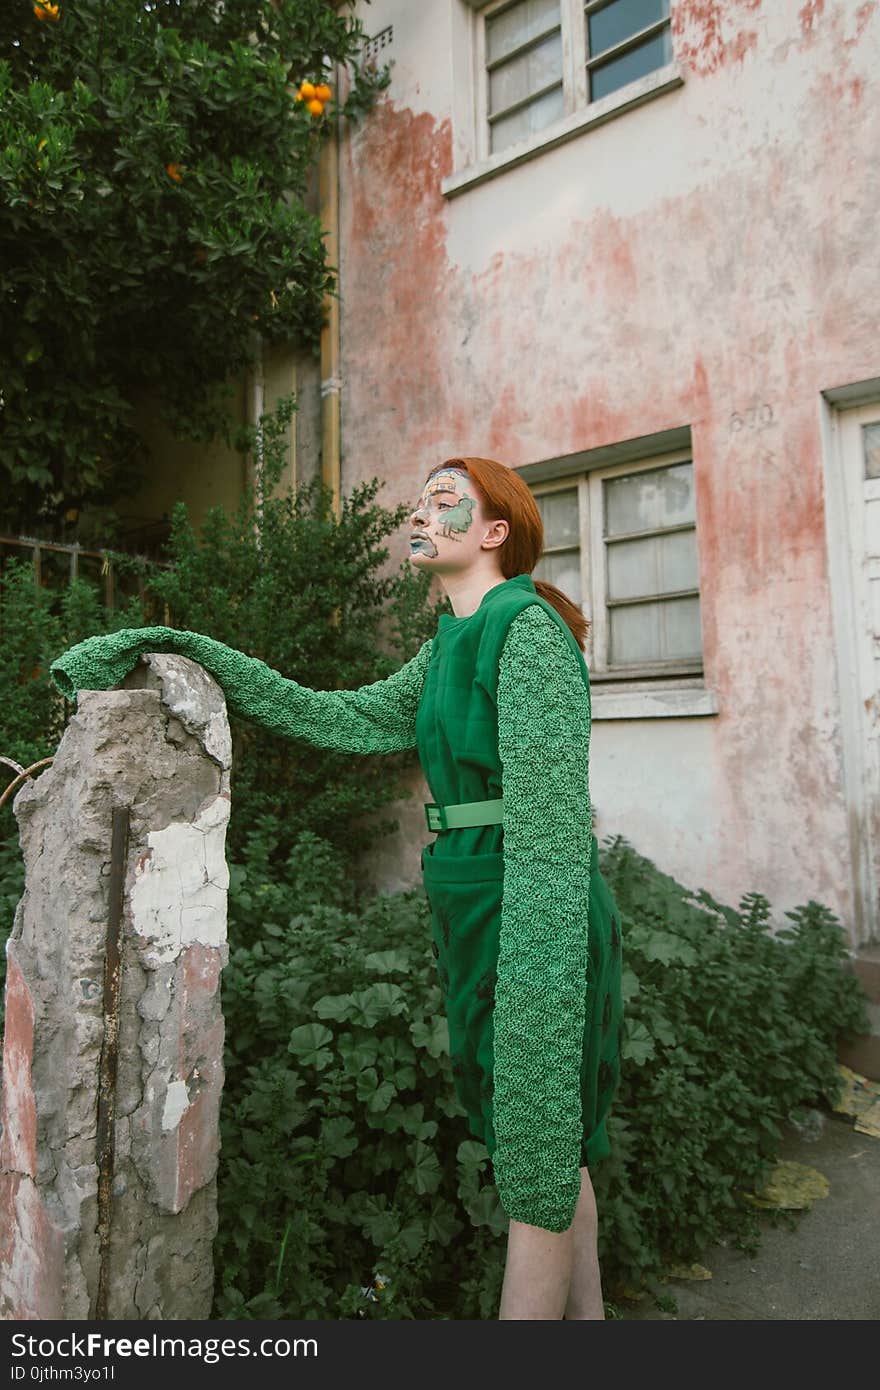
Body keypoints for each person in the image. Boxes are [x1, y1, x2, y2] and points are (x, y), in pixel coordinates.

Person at [49, 455, 624, 1320]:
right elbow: (342, 715)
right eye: (420, 500)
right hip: (473, 892)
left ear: (495, 532)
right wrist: (194, 653)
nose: (420, 514)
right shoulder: (447, 645)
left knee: (536, 1142)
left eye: (444, 503)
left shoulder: (525, 627)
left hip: (534, 899)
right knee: (550, 1145)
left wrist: (541, 977)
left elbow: (548, 822)